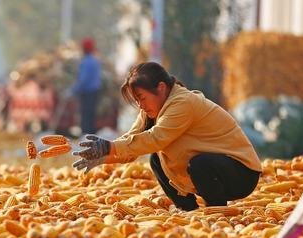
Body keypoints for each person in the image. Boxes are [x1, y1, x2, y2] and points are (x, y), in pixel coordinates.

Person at [72, 62, 261, 210]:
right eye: (137, 101)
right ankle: (189, 210)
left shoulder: (183, 103)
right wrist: (103, 158)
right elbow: (132, 145)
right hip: (217, 169)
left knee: (200, 164)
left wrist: (108, 146)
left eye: (142, 98)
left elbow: (155, 138)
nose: (140, 105)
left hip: (241, 173)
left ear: (161, 88)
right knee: (157, 158)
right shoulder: (151, 110)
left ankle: (217, 211)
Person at [70, 38, 102, 135]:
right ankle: (91, 134)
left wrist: (73, 90)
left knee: (85, 114)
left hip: (87, 92)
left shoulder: (86, 62)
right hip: (95, 91)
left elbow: (83, 79)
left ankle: (85, 135)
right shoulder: (95, 60)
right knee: (91, 114)